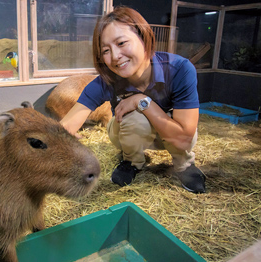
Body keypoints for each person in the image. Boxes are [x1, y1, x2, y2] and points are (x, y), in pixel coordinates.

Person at [60, 6, 206, 193]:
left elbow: (184, 139)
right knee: (134, 118)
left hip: (172, 137)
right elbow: (65, 127)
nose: (114, 57)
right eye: (105, 50)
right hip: (125, 133)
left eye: (121, 43)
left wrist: (142, 101)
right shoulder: (106, 80)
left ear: (144, 37)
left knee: (182, 126)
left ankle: (184, 165)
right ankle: (131, 162)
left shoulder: (180, 69)